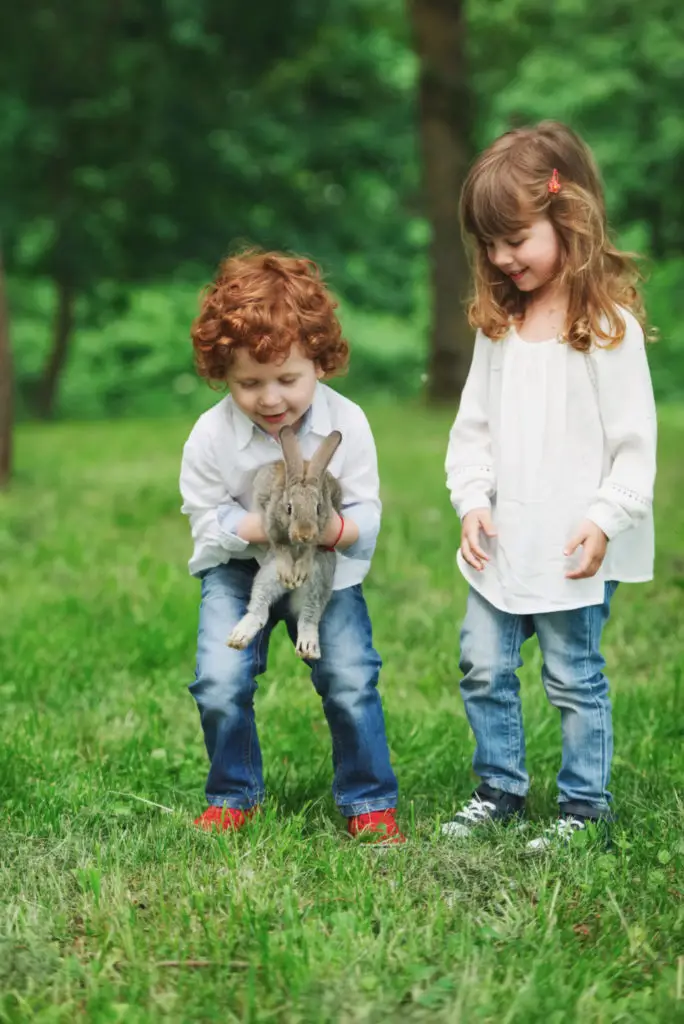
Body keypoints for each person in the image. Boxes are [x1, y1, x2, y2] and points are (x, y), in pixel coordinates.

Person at [443, 121, 657, 851]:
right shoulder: (499, 324)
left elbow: (634, 448)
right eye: (490, 246)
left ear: (567, 218)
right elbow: (473, 427)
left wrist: (605, 518)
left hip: (571, 542)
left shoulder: (606, 328)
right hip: (505, 537)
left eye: (517, 239)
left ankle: (584, 808)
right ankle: (500, 786)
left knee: (573, 676)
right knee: (480, 662)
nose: (503, 259)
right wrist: (472, 499)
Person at [180, 250, 404, 845]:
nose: (271, 398)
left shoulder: (346, 424)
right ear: (222, 373)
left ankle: (369, 798)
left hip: (324, 570)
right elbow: (204, 517)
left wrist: (330, 530)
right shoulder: (211, 435)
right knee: (220, 682)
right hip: (237, 571)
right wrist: (263, 526)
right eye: (248, 383)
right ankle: (233, 792)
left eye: (288, 379)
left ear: (320, 363)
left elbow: (365, 512)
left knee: (352, 678)